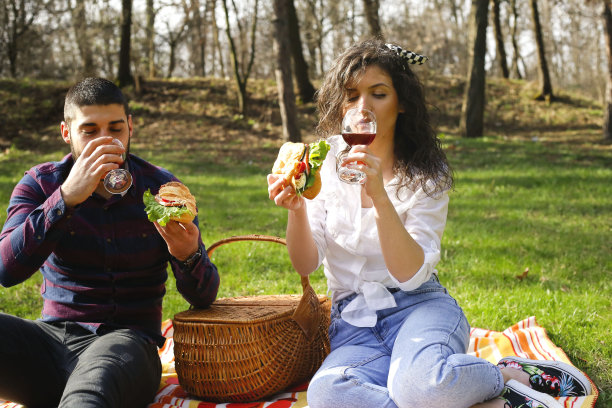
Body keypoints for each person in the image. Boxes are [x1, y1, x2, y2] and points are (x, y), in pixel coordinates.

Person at [267, 39, 591, 408]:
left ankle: (500, 374)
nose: (362, 108)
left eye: (378, 94)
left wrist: (380, 197)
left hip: (418, 308)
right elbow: (307, 264)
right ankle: (445, 394)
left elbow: (410, 274)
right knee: (327, 394)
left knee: (423, 388)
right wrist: (296, 210)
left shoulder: (426, 175)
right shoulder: (322, 164)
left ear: (402, 103)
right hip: (354, 325)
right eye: (351, 95)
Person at [0, 77, 220, 408]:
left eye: (115, 128)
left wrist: (187, 255)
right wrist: (66, 199)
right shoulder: (41, 183)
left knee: (91, 390)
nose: (105, 141)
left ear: (130, 128)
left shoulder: (164, 190)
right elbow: (6, 268)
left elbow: (204, 296)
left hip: (127, 347)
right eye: (89, 131)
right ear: (66, 133)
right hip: (51, 343)